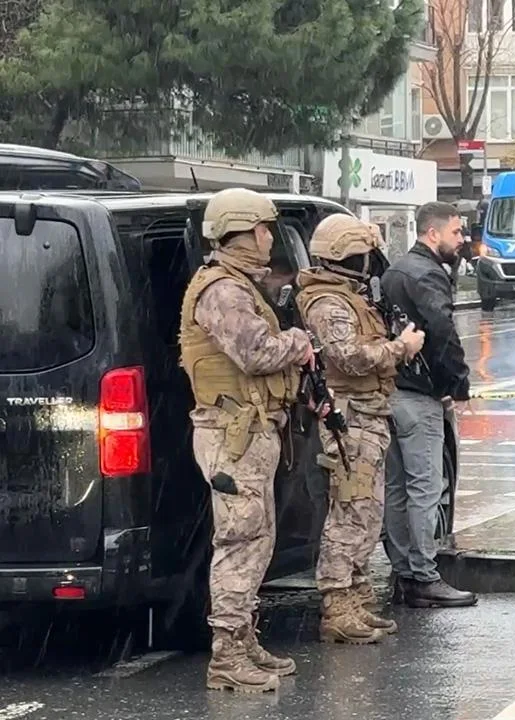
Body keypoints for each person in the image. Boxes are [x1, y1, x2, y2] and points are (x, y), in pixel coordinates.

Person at [178, 188, 314, 692]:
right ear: (245, 232)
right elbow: (256, 354)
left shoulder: (238, 285)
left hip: (247, 432)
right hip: (232, 435)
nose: (269, 239)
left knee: (257, 539)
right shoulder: (223, 290)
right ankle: (227, 655)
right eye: (263, 230)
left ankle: (243, 638)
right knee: (239, 542)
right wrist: (299, 342)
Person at [297, 215, 425, 644]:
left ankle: (355, 595)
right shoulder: (328, 302)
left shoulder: (349, 297)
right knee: (350, 511)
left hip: (368, 412)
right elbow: (350, 358)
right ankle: (338, 604)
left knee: (367, 511)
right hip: (350, 417)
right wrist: (401, 348)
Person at [380, 201, 476, 609]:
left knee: (397, 487)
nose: (462, 239)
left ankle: (403, 572)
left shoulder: (395, 271)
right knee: (425, 487)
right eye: (456, 232)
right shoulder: (430, 274)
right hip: (421, 394)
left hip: (390, 389)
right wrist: (458, 384)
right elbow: (443, 331)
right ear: (432, 233)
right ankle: (424, 575)